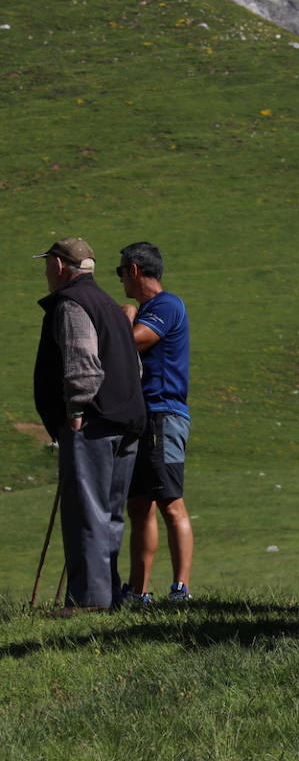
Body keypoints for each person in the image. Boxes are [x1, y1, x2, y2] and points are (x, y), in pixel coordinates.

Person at [33, 237, 146, 613]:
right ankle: (108, 595)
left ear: (62, 266)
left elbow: (82, 361)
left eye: (48, 262)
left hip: (94, 421)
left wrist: (76, 411)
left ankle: (88, 600)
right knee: (110, 513)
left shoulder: (72, 304)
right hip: (127, 418)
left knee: (86, 512)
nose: (47, 270)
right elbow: (134, 363)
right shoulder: (111, 306)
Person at [117, 242, 195, 603]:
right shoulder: (152, 307)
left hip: (163, 413)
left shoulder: (166, 305)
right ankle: (138, 589)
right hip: (142, 416)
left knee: (170, 501)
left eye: (121, 273)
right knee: (139, 504)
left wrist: (128, 314)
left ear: (134, 270)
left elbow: (135, 342)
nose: (121, 282)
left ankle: (181, 588)